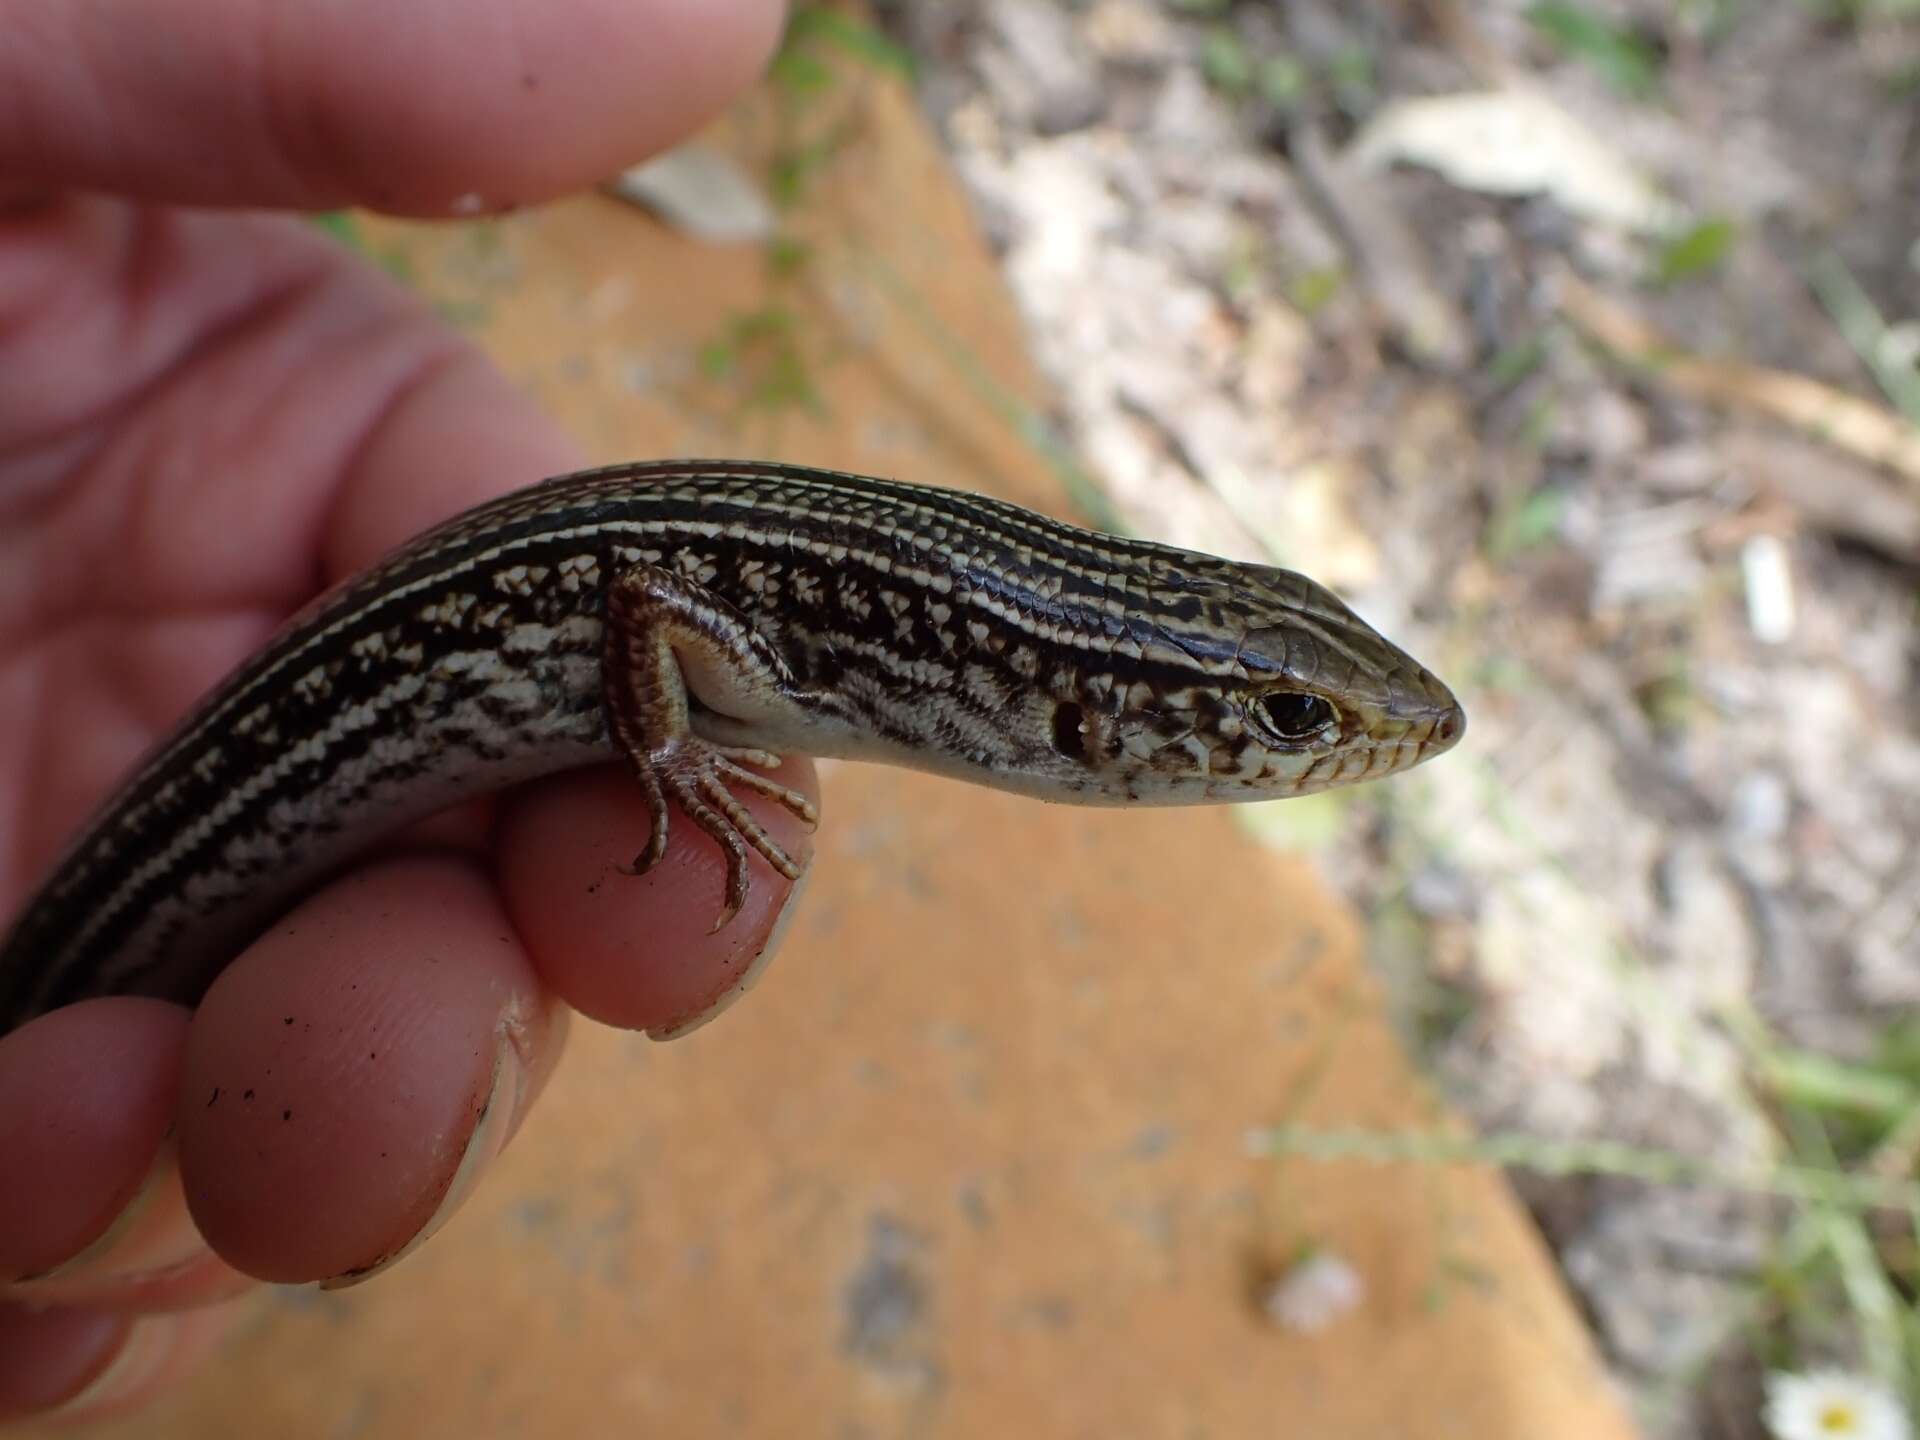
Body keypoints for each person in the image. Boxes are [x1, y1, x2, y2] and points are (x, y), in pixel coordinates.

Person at [0, 0, 797, 1422]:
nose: (1321, 753)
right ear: (1100, 717)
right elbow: (651, 605)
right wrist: (666, 749)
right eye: (1286, 723)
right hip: (144, 873)